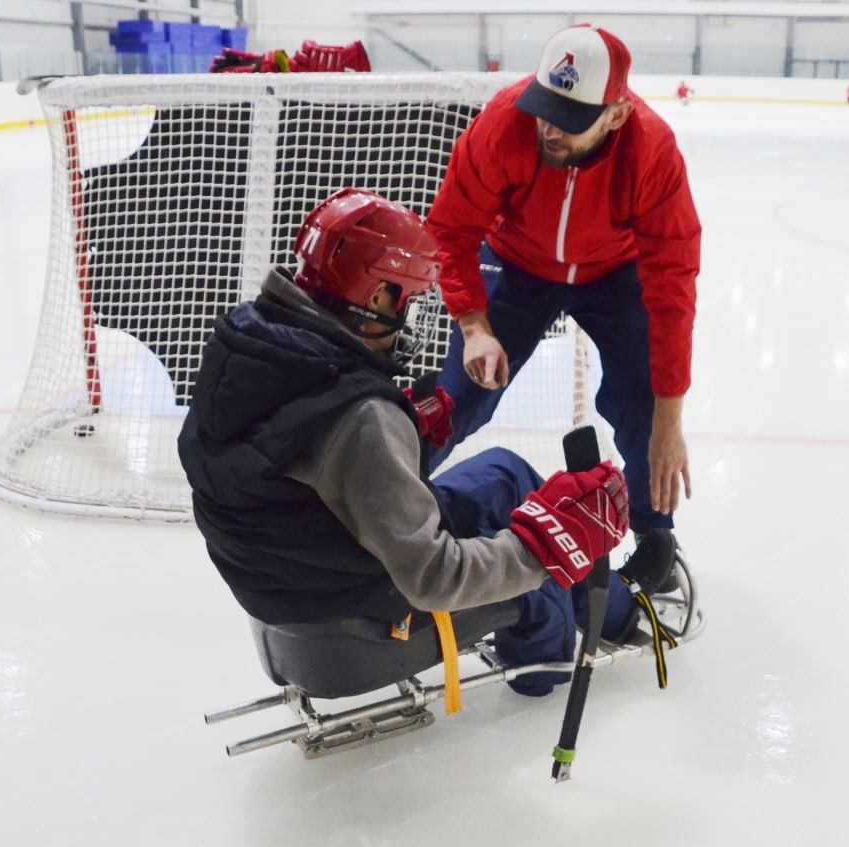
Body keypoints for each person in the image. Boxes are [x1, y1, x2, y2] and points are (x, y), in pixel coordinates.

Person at [177, 188, 675, 700]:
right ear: (373, 297)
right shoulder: (361, 418)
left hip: (292, 575)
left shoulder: (245, 344)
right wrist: (549, 546)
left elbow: (289, 452)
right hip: (353, 608)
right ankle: (555, 660)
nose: (408, 313)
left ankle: (610, 603)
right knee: (539, 570)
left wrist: (405, 430)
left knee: (505, 473)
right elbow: (434, 578)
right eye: (405, 298)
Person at [425, 23, 701, 584]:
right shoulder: (506, 125)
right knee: (460, 393)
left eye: (571, 120)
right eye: (546, 108)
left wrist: (670, 416)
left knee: (642, 404)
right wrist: (475, 326)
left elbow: (673, 286)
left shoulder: (652, 153)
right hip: (517, 262)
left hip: (613, 271)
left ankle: (654, 532)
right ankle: (388, 502)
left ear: (617, 115)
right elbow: (450, 231)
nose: (549, 129)